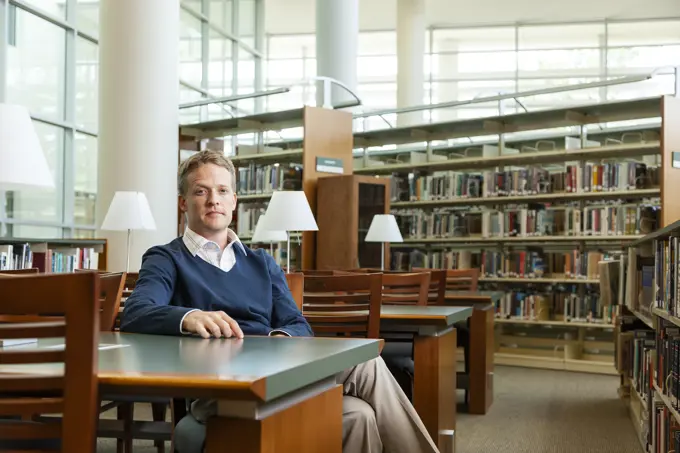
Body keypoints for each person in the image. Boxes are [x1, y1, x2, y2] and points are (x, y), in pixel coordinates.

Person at [120, 150, 440, 453]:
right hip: (221, 386)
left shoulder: (262, 262)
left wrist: (276, 342)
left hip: (278, 371)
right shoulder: (166, 258)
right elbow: (136, 313)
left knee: (360, 414)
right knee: (367, 365)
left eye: (222, 190)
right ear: (183, 202)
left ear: (234, 200)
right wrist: (189, 317)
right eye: (201, 191)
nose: (214, 199)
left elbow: (299, 326)